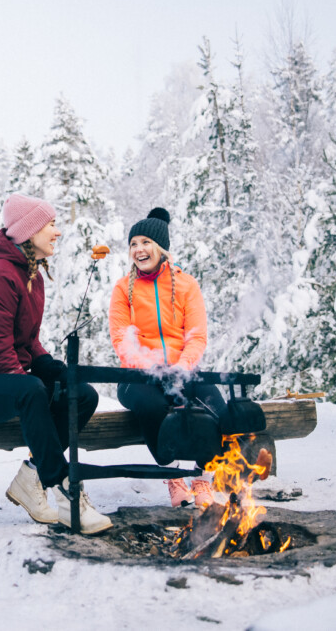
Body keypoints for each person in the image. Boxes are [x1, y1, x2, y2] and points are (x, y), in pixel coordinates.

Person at [0, 193, 113, 535]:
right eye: (51, 224)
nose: (57, 232)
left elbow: (28, 341)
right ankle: (66, 490)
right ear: (29, 231)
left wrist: (55, 370)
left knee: (81, 394)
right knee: (33, 390)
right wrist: (36, 387)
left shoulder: (30, 274)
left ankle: (30, 477)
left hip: (10, 379)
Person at [108, 207, 227, 508]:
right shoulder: (123, 289)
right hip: (138, 376)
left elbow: (197, 335)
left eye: (145, 242)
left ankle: (202, 476)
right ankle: (173, 474)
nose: (138, 249)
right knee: (154, 405)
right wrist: (152, 368)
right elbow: (121, 338)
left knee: (214, 402)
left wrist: (181, 367)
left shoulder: (186, 285)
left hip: (182, 370)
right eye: (133, 244)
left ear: (161, 247)